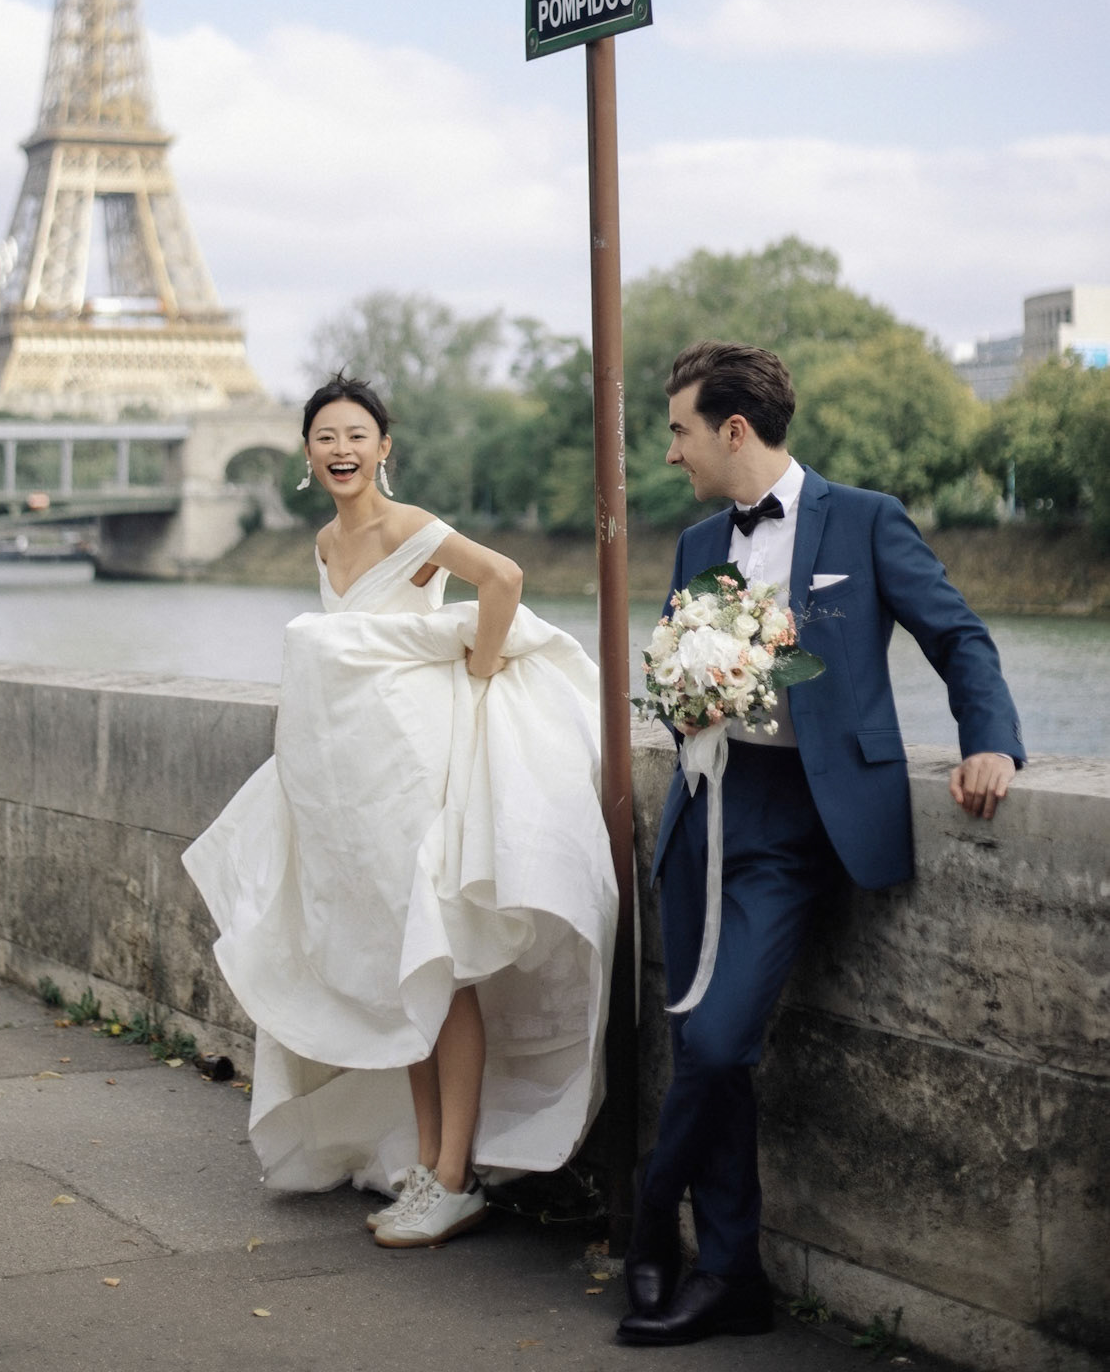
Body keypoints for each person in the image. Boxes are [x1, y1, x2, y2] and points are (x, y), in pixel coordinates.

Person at [617, 340, 1024, 1349]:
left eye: (678, 430)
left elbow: (958, 636)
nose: (670, 451)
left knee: (719, 1040)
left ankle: (647, 1212)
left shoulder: (866, 519)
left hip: (799, 820)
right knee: (701, 1047)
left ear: (733, 430)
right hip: (703, 809)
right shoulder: (696, 540)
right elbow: (673, 680)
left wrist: (990, 742)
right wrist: (684, 695)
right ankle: (729, 1273)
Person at [184, 375, 618, 1251]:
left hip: (416, 767)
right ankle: (428, 1162)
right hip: (356, 779)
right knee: (400, 969)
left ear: (384, 448)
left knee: (438, 961)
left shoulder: (408, 527)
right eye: (324, 437)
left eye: (356, 435)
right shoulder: (323, 541)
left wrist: (481, 666)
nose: (340, 450)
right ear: (306, 455)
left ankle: (454, 1177)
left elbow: (502, 577)